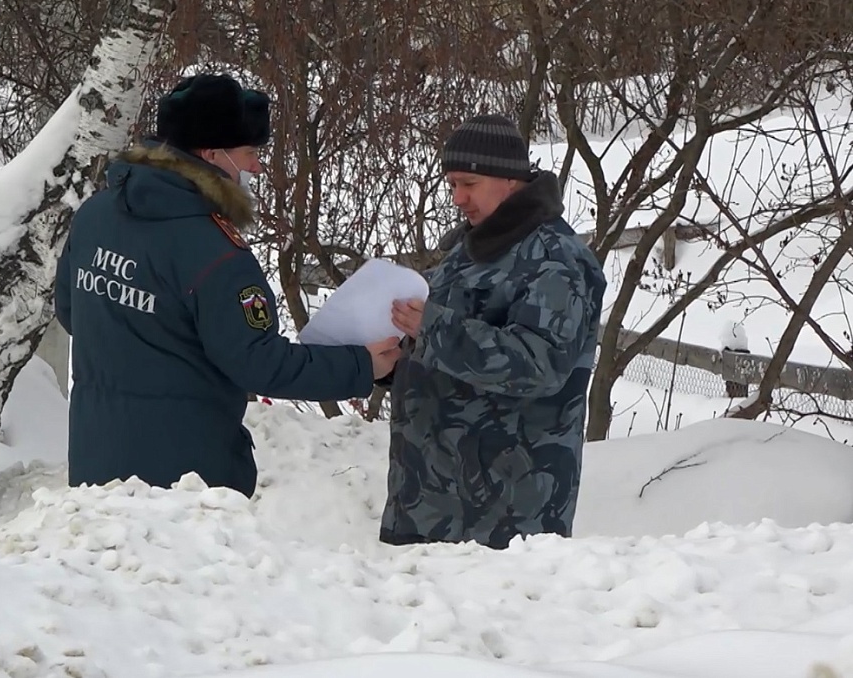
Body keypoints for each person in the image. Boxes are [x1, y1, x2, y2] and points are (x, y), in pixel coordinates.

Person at [54, 72, 400, 498]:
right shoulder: (215, 252)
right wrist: (363, 366)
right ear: (212, 153)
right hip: (185, 483)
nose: (256, 167)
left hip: (95, 467)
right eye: (249, 153)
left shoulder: (95, 215)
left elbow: (71, 312)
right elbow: (261, 363)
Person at [378, 114, 607, 550]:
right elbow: (448, 349)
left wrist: (434, 329)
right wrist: (393, 356)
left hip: (504, 515)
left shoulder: (554, 259)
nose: (458, 198)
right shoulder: (468, 249)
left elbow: (540, 365)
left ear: (510, 179)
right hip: (428, 498)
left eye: (469, 183)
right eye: (452, 185)